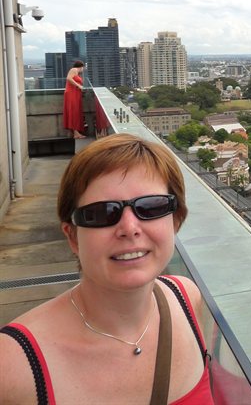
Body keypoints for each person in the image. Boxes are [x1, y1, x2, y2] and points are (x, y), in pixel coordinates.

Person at [0, 133, 214, 404]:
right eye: (102, 213)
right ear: (72, 236)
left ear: (176, 220)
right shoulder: (13, 365)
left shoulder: (186, 300)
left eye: (151, 207)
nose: (129, 228)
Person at [63, 60, 86, 139]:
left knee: (75, 112)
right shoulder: (74, 70)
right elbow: (69, 78)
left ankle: (74, 132)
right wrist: (79, 86)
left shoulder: (76, 72)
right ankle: (76, 133)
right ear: (81, 66)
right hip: (72, 93)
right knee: (74, 112)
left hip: (75, 93)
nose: (83, 69)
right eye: (83, 67)